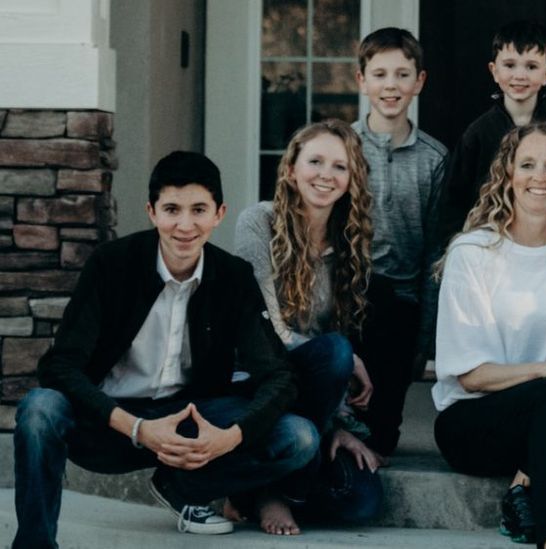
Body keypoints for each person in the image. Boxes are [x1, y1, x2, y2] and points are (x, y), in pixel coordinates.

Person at [13, 151, 317, 548]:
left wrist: (229, 438)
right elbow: (59, 367)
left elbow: (278, 375)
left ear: (219, 214)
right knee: (39, 409)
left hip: (191, 421)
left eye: (199, 210)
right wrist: (137, 428)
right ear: (152, 212)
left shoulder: (234, 277)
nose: (185, 225)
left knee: (299, 437)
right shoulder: (111, 264)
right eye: (172, 209)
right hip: (110, 422)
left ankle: (183, 488)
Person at [432, 122, 546, 549]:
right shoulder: (473, 253)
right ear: (508, 174)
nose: (540, 177)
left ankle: (526, 478)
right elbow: (470, 377)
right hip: (476, 423)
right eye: (528, 164)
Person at [234, 120, 383, 535]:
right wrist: (348, 360)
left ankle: (251, 488)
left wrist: (338, 425)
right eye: (315, 161)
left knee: (362, 501)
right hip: (256, 382)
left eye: (340, 166)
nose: (325, 175)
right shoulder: (258, 222)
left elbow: (334, 340)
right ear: (290, 170)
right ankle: (274, 493)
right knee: (336, 352)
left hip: (310, 398)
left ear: (352, 180)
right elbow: (263, 327)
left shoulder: (349, 242)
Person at [349, 27, 449, 454]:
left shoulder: (434, 159)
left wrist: (425, 338)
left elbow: (436, 250)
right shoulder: (343, 148)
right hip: (347, 296)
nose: (390, 85)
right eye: (380, 74)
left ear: (419, 81)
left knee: (381, 437)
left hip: (403, 305)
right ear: (362, 80)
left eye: (402, 74)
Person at [435, 19, 546, 252]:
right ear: (494, 71)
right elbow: (453, 203)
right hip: (487, 247)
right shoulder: (478, 134)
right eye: (510, 65)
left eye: (531, 67)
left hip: (543, 246)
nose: (519, 75)